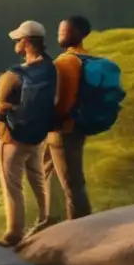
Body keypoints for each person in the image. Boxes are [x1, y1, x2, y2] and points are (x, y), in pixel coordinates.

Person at [0, 21, 57, 247]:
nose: (16, 43)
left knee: (12, 186)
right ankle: (45, 218)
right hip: (38, 135)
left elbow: (0, 105)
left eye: (19, 40)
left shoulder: (15, 73)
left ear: (28, 43)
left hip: (12, 137)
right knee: (38, 179)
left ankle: (13, 234)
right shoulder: (52, 68)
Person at [45, 15, 94, 222]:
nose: (59, 34)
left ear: (76, 33)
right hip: (78, 125)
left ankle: (79, 225)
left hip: (64, 129)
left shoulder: (66, 62)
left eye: (63, 31)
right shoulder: (86, 57)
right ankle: (51, 217)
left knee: (71, 181)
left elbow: (63, 98)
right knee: (49, 170)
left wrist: (53, 120)